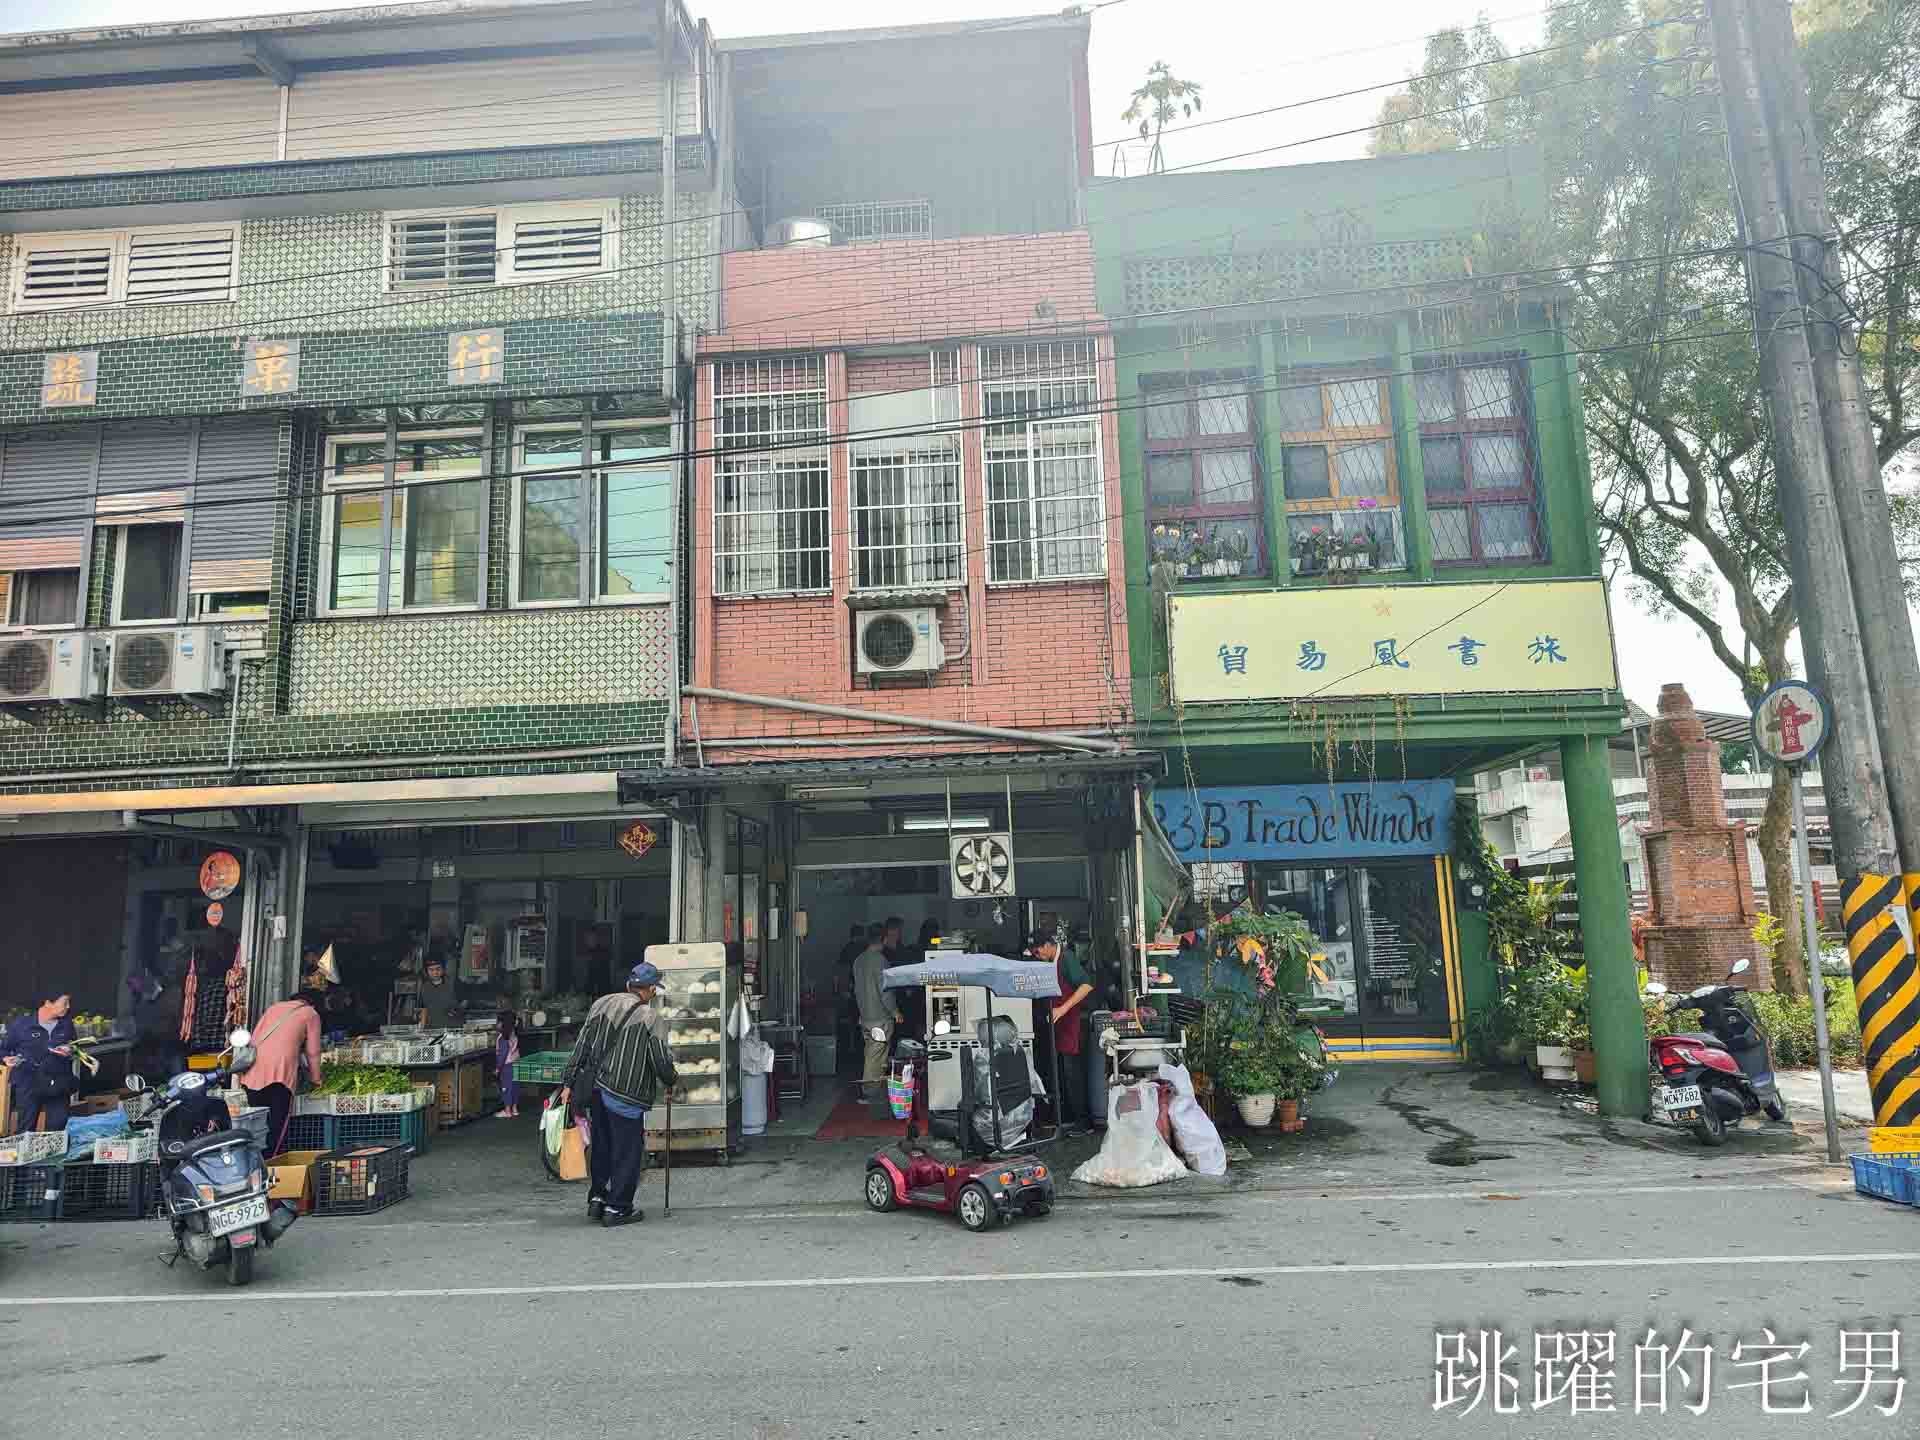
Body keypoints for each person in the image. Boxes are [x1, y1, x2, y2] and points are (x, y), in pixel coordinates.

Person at [558, 962, 678, 1227]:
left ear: (628, 985)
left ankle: (598, 1199)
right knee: (627, 1152)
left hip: (597, 1090)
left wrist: (568, 1081)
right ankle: (618, 1208)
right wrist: (672, 1080)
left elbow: (583, 1044)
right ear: (650, 990)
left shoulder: (601, 1004)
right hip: (626, 1094)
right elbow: (660, 1060)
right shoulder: (651, 1018)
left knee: (602, 1146)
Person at [239, 988, 324, 1158]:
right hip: (280, 1076)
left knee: (258, 1125)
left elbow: (255, 1038)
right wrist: (316, 1079)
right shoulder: (310, 1013)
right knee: (276, 1127)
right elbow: (313, 1051)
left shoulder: (274, 1008)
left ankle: (255, 1163)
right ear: (312, 1003)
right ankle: (271, 1163)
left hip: (253, 1073)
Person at [1028, 928, 1094, 1132]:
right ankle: (1070, 1119)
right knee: (1064, 1074)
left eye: (1038, 952)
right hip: (1061, 1025)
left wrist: (1064, 1008)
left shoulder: (1066, 959)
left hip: (1074, 1024)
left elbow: (1086, 986)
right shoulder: (1051, 963)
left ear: (1048, 945)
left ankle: (1084, 1123)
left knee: (1074, 1074)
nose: (1037, 957)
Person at [3, 991, 77, 1133]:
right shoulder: (22, 1025)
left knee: (57, 1128)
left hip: (59, 1081)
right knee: (26, 1129)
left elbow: (75, 1046)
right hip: (28, 1082)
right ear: (48, 1003)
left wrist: (70, 1050)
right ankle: (24, 1154)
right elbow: (4, 1049)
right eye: (64, 1003)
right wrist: (6, 1059)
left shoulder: (66, 1024)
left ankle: (53, 1153)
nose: (68, 1007)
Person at [853, 922, 902, 1109]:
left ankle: (874, 1091)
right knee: (876, 1058)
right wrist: (895, 1011)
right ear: (883, 938)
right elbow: (885, 991)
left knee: (871, 1054)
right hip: (880, 1018)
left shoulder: (858, 960)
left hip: (865, 1016)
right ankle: (870, 1093)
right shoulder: (880, 961)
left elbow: (857, 989)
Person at [416, 952, 463, 1030]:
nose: (435, 972)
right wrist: (422, 1027)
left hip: (452, 1029)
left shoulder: (453, 984)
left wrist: (456, 1010)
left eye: (438, 969)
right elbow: (423, 1009)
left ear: (443, 969)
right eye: (431, 970)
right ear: (426, 971)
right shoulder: (424, 987)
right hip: (431, 1029)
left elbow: (463, 1004)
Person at [495, 1002, 522, 1119]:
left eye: (498, 1022)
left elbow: (502, 1055)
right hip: (516, 1063)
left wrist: (498, 1068)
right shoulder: (514, 1034)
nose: (496, 1024)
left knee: (506, 1088)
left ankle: (507, 1110)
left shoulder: (502, 1038)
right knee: (515, 1087)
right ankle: (515, 1109)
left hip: (507, 1066)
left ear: (502, 1024)